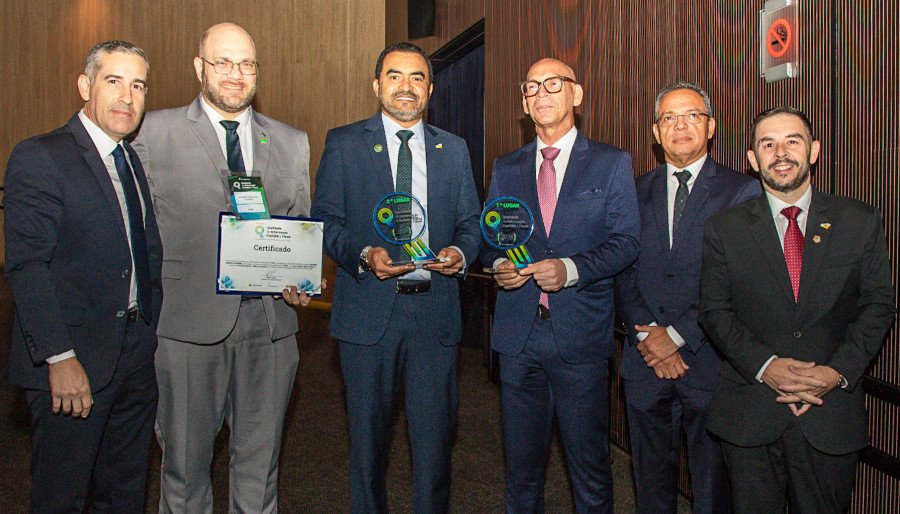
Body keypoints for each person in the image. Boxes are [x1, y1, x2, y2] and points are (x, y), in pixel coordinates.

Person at [132, 23, 314, 513]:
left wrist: (300, 278)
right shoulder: (151, 132)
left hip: (272, 327)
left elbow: (296, 227)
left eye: (247, 64)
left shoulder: (292, 142)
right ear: (199, 67)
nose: (236, 75)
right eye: (223, 63)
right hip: (187, 326)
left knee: (260, 471)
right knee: (184, 470)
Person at [310, 41, 481, 513]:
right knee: (367, 450)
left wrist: (460, 251)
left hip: (434, 315)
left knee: (434, 451)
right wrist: (364, 254)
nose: (406, 87)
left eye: (417, 78)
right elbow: (325, 220)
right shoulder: (344, 142)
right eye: (395, 76)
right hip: (369, 314)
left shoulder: (455, 148)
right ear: (376, 85)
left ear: (431, 88)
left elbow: (471, 221)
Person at [699, 106, 895, 513]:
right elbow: (715, 311)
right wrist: (766, 366)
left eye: (793, 141)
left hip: (830, 413)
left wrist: (835, 372)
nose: (781, 153)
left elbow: (878, 305)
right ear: (753, 160)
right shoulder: (724, 228)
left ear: (814, 150)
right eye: (767, 144)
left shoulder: (859, 221)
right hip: (751, 410)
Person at [4, 40, 161, 512]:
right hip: (72, 364)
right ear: (85, 86)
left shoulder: (130, 159)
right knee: (62, 498)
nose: (126, 97)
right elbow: (27, 266)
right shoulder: (40, 156)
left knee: (125, 493)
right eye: (113, 81)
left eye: (137, 85)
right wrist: (59, 356)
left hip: (133, 357)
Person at [483, 58, 640, 513]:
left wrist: (569, 269)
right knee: (521, 472)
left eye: (554, 84)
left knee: (589, 472)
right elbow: (493, 237)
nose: (541, 93)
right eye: (531, 86)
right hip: (518, 337)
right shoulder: (506, 166)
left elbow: (627, 242)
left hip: (580, 338)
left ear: (577, 94)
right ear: (523, 102)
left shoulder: (611, 163)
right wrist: (498, 266)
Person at [614, 82, 760, 513]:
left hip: (709, 361)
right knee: (649, 484)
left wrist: (675, 336)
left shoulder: (741, 192)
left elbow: (739, 281)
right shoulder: (632, 191)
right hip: (644, 363)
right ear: (655, 133)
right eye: (668, 118)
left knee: (713, 488)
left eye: (692, 115)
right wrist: (649, 339)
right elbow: (621, 270)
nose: (680, 125)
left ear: (710, 126)